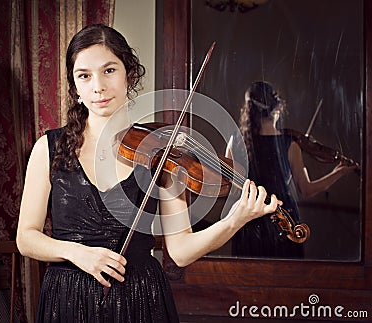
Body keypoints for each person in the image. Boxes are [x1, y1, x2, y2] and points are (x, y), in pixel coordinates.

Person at [16, 25, 279, 322]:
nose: (98, 86)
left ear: (130, 74)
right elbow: (26, 238)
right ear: (75, 87)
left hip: (139, 298)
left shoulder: (160, 152)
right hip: (67, 297)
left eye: (109, 70)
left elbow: (180, 250)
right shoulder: (48, 148)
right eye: (84, 75)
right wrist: (78, 253)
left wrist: (235, 220)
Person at [225, 80, 358, 259]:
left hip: (247, 221)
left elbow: (228, 187)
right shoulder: (290, 144)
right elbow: (306, 190)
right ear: (277, 107)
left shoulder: (235, 141)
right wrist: (338, 173)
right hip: (283, 220)